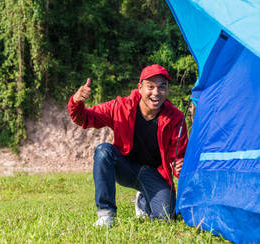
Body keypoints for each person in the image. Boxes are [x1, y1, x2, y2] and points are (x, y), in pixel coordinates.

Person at [68, 64, 188, 227]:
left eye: (162, 87)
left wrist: (179, 166)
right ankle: (106, 215)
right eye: (150, 87)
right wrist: (76, 102)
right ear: (140, 88)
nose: (156, 93)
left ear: (167, 89)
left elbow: (179, 156)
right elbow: (86, 118)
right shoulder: (121, 106)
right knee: (104, 151)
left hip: (154, 173)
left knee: (166, 217)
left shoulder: (176, 118)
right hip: (125, 167)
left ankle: (143, 201)